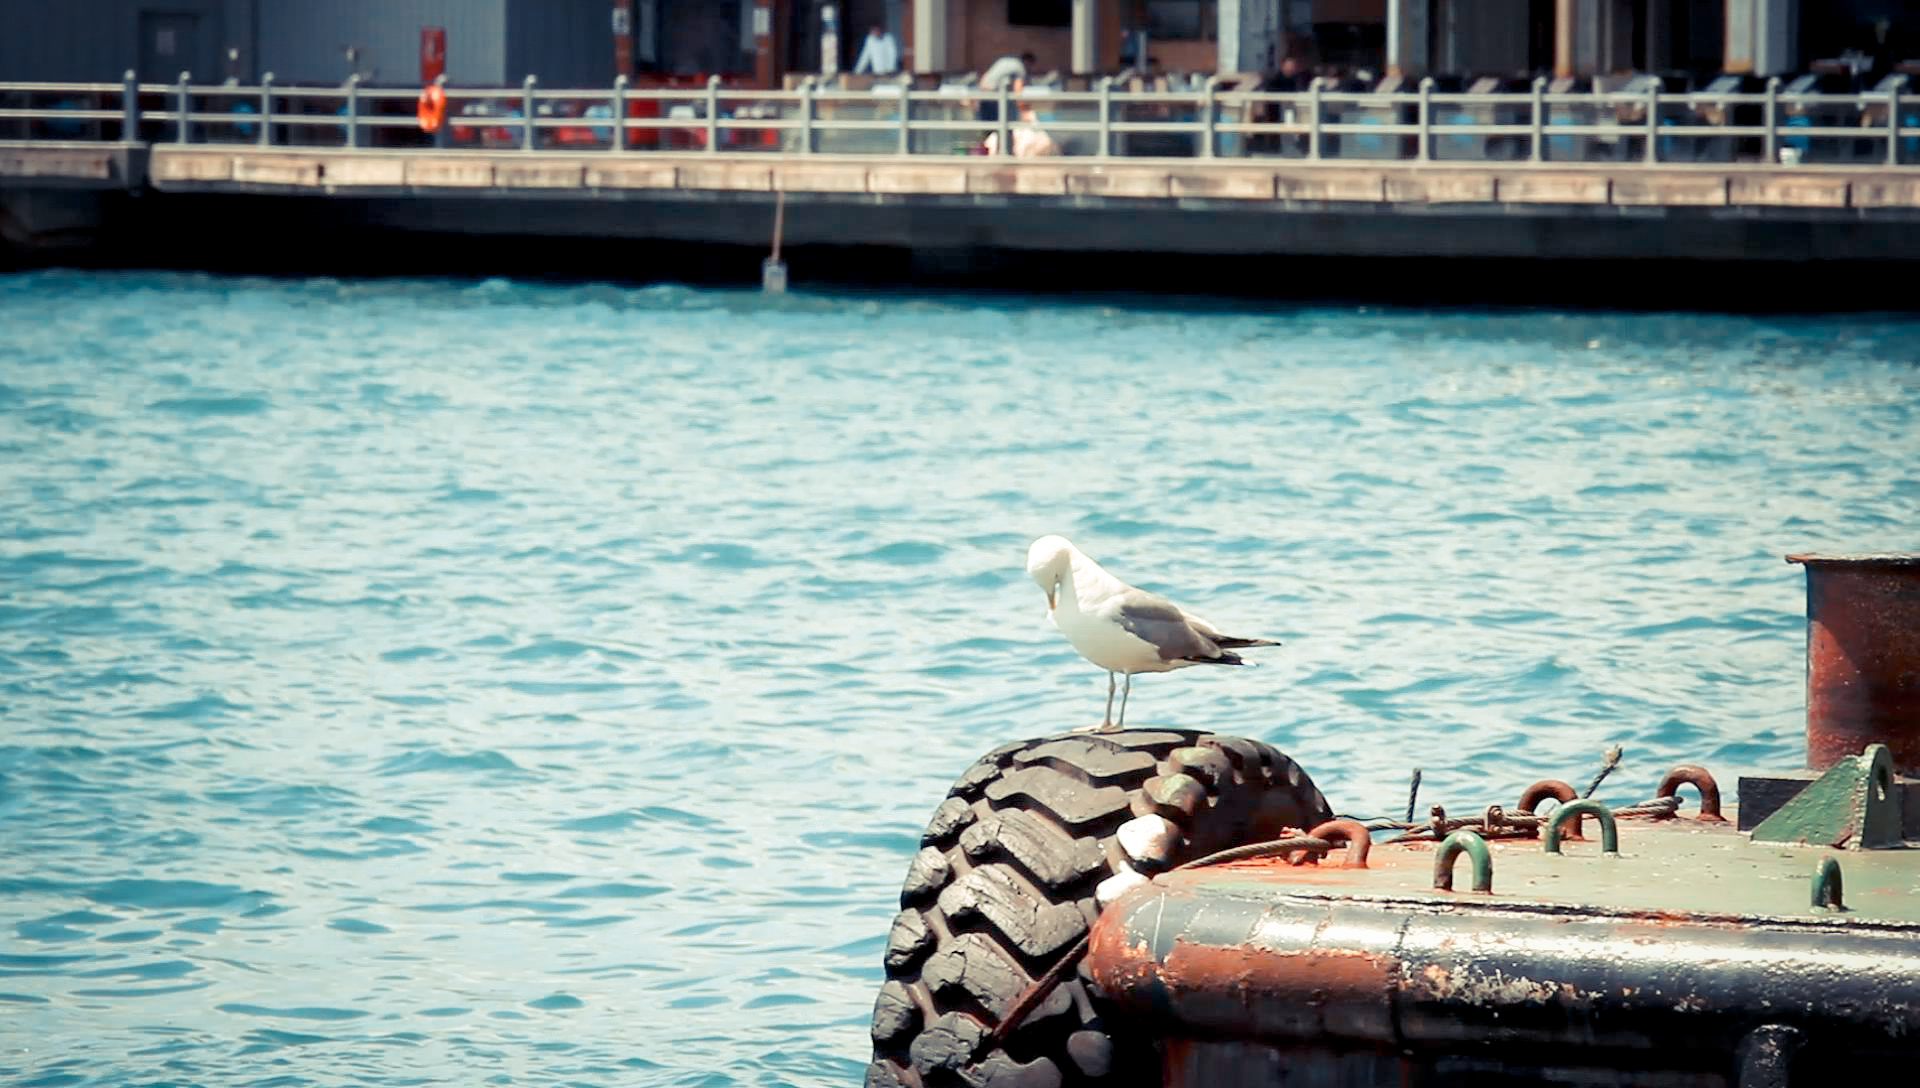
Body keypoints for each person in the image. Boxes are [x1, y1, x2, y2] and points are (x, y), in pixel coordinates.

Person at [976, 52, 1035, 123]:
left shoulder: (1006, 61)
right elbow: (1018, 92)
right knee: (999, 123)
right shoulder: (1020, 67)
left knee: (987, 123)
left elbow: (987, 75)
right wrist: (1024, 111)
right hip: (994, 95)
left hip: (983, 90)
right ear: (1028, 62)